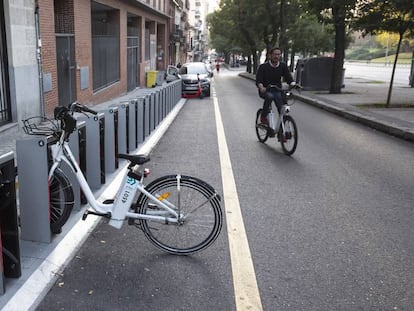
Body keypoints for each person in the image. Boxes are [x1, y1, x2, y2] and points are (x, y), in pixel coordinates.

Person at [256, 47, 295, 124]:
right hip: (266, 90)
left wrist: (293, 84)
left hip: (277, 90)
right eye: (274, 54)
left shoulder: (282, 66)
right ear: (270, 55)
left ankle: (281, 129)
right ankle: (263, 116)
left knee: (282, 108)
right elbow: (258, 80)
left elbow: (288, 77)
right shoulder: (263, 67)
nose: (276, 56)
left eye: (278, 54)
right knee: (270, 97)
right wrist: (261, 87)